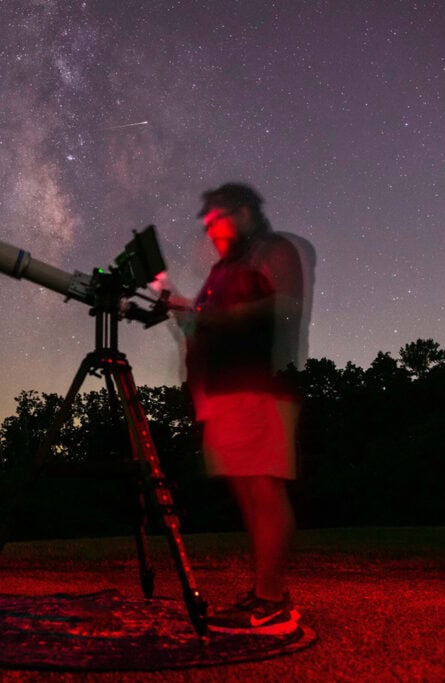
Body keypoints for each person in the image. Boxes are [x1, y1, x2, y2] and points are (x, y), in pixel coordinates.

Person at [164, 182, 314, 635]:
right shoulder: (224, 269)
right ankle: (264, 593)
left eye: (216, 219)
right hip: (226, 392)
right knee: (249, 495)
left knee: (263, 489)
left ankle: (272, 601)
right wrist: (188, 318)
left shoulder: (273, 249)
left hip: (259, 386)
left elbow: (284, 308)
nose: (210, 231)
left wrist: (208, 318)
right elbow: (205, 329)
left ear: (244, 213)